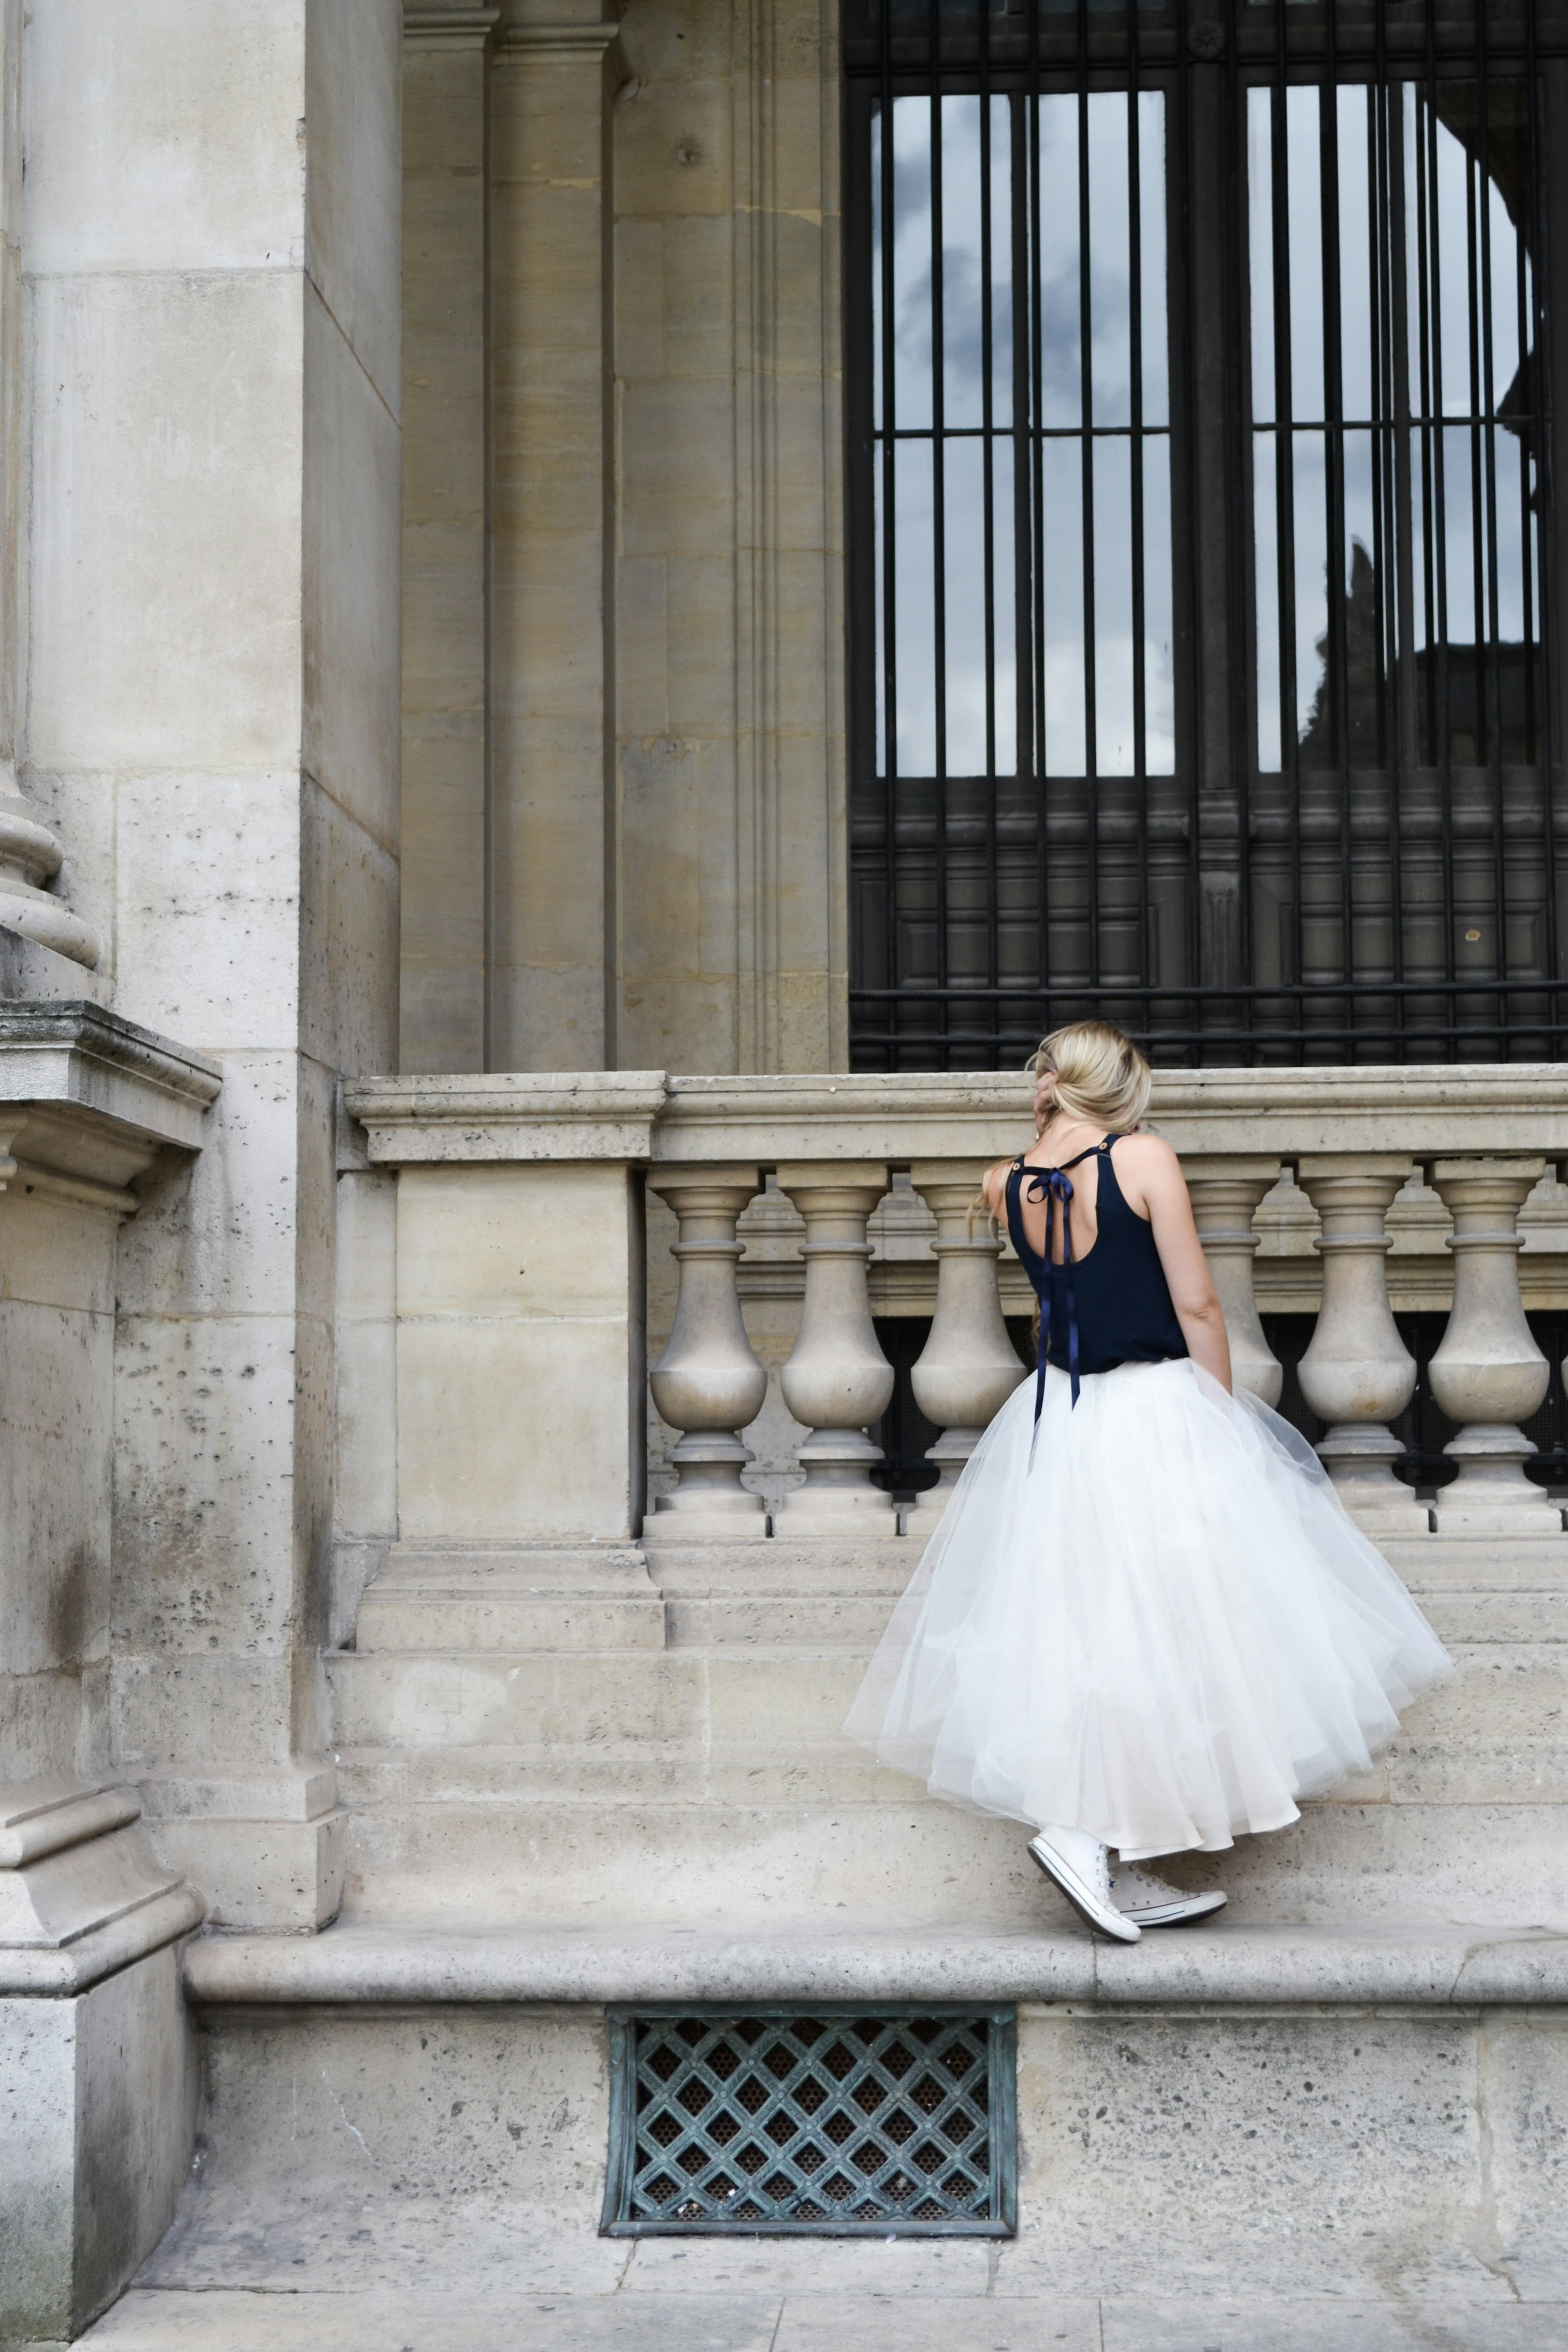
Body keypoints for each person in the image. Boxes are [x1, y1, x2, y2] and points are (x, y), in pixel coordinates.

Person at [844, 1021, 1453, 1943]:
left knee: (1091, 1621)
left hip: (1065, 1414)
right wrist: (1222, 1416)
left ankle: (1112, 1851)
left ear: (1050, 1083)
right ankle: (1084, 1832)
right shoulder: (1144, 1158)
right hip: (1153, 1406)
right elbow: (1197, 1300)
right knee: (1168, 1621)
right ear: (1115, 1083)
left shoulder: (1001, 1182)